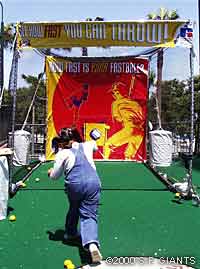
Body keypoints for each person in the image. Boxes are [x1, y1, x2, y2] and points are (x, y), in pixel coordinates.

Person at [48, 127, 102, 263]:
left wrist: (50, 172)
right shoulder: (88, 145)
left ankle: (71, 233)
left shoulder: (62, 154)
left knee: (74, 206)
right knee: (89, 214)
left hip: (74, 185)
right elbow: (95, 145)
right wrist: (94, 138)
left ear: (63, 141)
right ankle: (92, 245)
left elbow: (54, 176)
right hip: (93, 183)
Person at [103, 81, 145, 160]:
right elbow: (141, 118)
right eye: (113, 93)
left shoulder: (116, 103)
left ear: (120, 92)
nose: (114, 95)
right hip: (140, 132)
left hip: (129, 129)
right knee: (128, 156)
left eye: (116, 92)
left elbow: (117, 119)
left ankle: (104, 167)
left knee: (108, 145)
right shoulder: (136, 104)